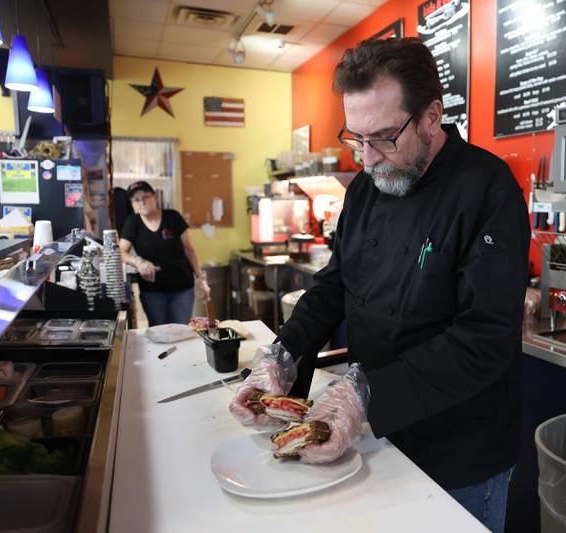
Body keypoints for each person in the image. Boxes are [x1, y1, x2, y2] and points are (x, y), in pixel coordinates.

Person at [231, 38, 529, 532]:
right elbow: (333, 286)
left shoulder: (488, 189)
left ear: (432, 116)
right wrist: (283, 354)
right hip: (375, 437)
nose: (367, 159)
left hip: (461, 452)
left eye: (385, 138)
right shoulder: (368, 187)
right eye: (356, 138)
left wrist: (365, 392)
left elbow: (486, 337)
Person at [119, 180, 210, 326]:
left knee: (180, 329)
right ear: (132, 204)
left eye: (145, 197)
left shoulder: (173, 217)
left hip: (182, 287)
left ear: (155, 197)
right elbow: (121, 252)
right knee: (158, 330)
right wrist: (138, 262)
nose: (141, 202)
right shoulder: (132, 223)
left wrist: (200, 278)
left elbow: (189, 249)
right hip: (152, 291)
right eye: (136, 200)